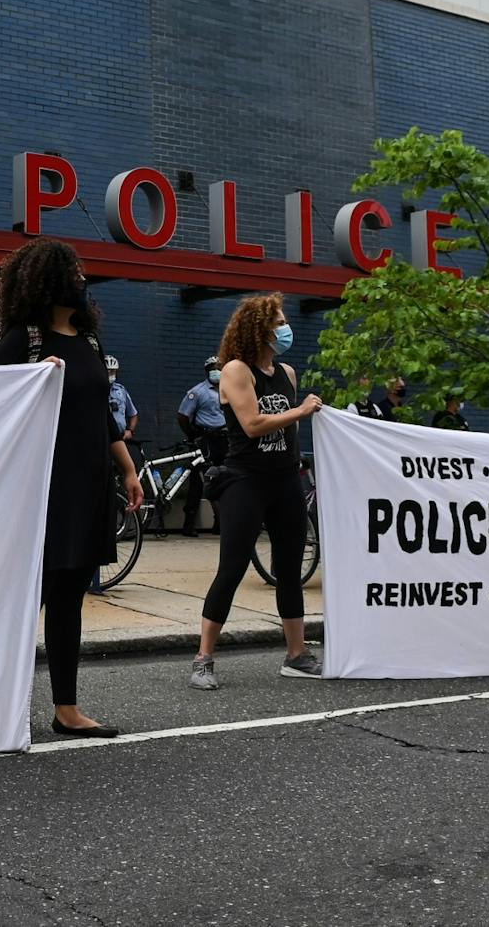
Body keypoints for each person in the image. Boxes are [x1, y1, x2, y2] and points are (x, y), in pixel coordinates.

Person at [0, 238, 141, 739]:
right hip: (42, 490)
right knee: (25, 598)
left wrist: (127, 470)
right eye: (73, 271)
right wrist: (33, 378)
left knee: (71, 597)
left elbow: (102, 416)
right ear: (49, 279)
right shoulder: (23, 340)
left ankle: (66, 709)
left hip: (89, 484)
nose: (82, 278)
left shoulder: (89, 341)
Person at [189, 293, 323, 690]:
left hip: (284, 480)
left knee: (289, 567)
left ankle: (297, 655)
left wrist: (300, 459)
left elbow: (290, 431)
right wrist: (300, 412)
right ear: (259, 327)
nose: (285, 328)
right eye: (278, 321)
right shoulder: (235, 370)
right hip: (245, 479)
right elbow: (252, 423)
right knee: (232, 566)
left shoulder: (287, 372)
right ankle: (203, 658)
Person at [175, 355, 228, 537]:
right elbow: (182, 416)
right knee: (198, 481)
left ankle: (220, 523)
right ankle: (189, 525)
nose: (216, 370)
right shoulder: (197, 392)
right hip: (205, 439)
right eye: (213, 367)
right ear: (207, 371)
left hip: (224, 438)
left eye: (219, 367)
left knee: (224, 479)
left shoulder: (227, 389)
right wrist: (192, 434)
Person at [106, 356, 138, 443]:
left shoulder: (121, 390)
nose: (110, 374)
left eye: (112, 371)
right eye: (107, 371)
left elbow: (133, 414)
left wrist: (130, 430)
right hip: (103, 438)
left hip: (121, 438)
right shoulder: (95, 390)